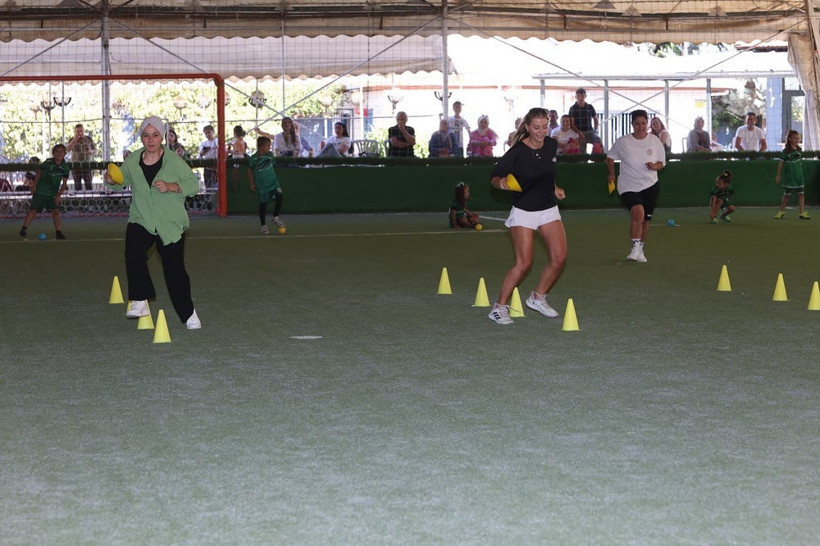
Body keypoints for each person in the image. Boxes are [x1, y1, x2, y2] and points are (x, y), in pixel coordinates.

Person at [104, 116, 202, 330]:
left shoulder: (174, 161)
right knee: (133, 253)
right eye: (146, 136)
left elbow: (193, 184)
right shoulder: (132, 161)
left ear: (162, 137)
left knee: (174, 271)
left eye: (155, 135)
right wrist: (112, 181)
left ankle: (188, 313)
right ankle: (139, 300)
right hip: (142, 218)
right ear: (141, 138)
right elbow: (122, 182)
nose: (150, 140)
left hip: (169, 223)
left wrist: (172, 186)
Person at [487, 107, 567, 325]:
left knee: (559, 258)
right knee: (524, 264)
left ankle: (537, 297)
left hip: (548, 208)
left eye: (545, 126)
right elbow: (495, 175)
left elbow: (547, 174)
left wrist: (555, 188)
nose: (542, 131)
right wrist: (501, 183)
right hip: (524, 211)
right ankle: (499, 307)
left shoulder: (551, 145)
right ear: (528, 127)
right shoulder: (517, 151)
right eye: (536, 127)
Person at [606, 109, 666, 263]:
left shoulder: (655, 140)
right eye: (637, 124)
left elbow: (662, 163)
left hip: (650, 184)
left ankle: (640, 249)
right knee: (638, 213)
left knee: (646, 220)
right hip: (628, 184)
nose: (640, 126)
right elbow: (610, 157)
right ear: (632, 124)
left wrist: (654, 166)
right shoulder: (623, 141)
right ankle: (634, 248)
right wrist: (611, 173)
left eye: (643, 123)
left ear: (647, 124)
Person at [19, 144, 69, 240]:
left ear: (64, 154)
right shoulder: (47, 162)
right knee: (33, 210)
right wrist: (34, 186)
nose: (59, 154)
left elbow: (64, 183)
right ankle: (24, 229)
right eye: (57, 152)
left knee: (55, 212)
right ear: (53, 153)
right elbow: (38, 173)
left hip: (52, 194)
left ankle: (58, 232)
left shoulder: (65, 167)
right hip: (40, 191)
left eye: (61, 152)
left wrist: (58, 196)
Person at [249, 135, 285, 234]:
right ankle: (263, 225)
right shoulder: (253, 159)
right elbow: (250, 170)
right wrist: (251, 183)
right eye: (268, 146)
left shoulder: (270, 155)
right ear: (261, 147)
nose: (269, 148)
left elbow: (272, 165)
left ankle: (275, 217)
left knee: (280, 196)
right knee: (263, 204)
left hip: (274, 183)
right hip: (262, 186)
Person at [774, 130, 810, 220]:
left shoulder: (799, 150)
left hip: (799, 176)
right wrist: (778, 175)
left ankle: (802, 213)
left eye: (798, 138)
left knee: (801, 194)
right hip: (789, 177)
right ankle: (782, 212)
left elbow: (799, 163)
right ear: (790, 139)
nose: (797, 140)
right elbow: (780, 164)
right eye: (794, 138)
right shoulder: (785, 151)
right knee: (786, 195)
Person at [66, 123, 97, 191]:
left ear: (84, 130)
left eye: (81, 131)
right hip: (76, 166)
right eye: (78, 131)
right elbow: (67, 149)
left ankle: (89, 200)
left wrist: (90, 151)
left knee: (88, 185)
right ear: (75, 132)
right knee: (77, 185)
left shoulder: (89, 139)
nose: (80, 133)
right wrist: (75, 139)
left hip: (87, 165)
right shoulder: (72, 139)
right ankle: (78, 200)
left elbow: (95, 150)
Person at [198, 124, 218, 188]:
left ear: (213, 132)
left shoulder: (218, 141)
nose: (208, 135)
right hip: (208, 167)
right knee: (208, 186)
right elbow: (201, 154)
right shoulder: (203, 143)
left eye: (209, 132)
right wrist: (205, 150)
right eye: (206, 133)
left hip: (217, 166)